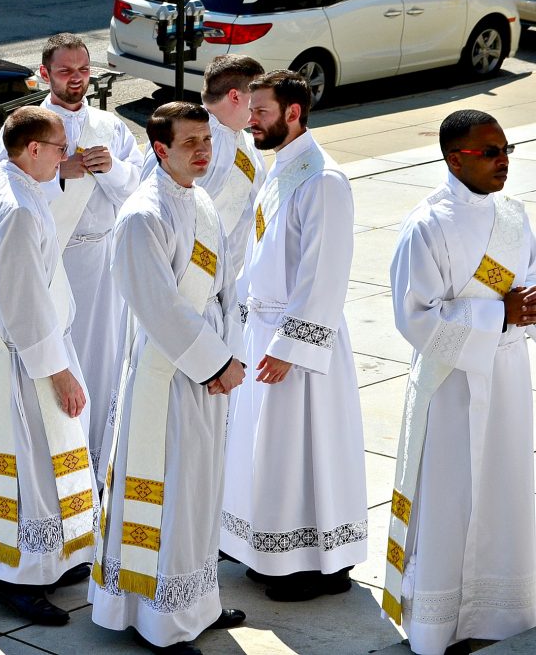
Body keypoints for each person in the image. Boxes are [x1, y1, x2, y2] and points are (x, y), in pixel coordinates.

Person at [90, 102, 247, 655]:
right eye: (191, 143)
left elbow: (223, 287)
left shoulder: (200, 200)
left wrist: (230, 352)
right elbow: (158, 307)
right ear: (160, 149)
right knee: (168, 489)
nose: (204, 150)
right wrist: (217, 363)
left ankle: (196, 601)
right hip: (166, 376)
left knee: (200, 489)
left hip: (206, 368)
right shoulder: (141, 214)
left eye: (207, 139)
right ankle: (158, 615)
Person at [384, 110, 536, 654]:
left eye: (507, 151)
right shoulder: (427, 226)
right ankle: (436, 622)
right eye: (490, 152)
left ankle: (502, 611)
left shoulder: (514, 217)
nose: (503, 162)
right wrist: (500, 316)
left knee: (504, 484)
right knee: (450, 496)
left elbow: (528, 281)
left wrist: (526, 309)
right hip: (449, 384)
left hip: (508, 376)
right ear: (455, 158)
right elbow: (414, 316)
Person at [220, 70, 368, 601]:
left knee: (307, 450)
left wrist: (290, 346)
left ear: (293, 114)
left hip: (302, 344)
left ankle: (315, 564)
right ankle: (274, 552)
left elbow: (324, 272)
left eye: (260, 111)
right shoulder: (279, 168)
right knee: (271, 451)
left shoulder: (322, 180)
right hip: (263, 330)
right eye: (250, 110)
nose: (250, 120)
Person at [0, 106, 97, 625]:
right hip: (24, 361)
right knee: (29, 469)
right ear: (33, 149)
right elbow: (23, 299)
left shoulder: (8, 184)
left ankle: (49, 554)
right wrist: (56, 371)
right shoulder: (14, 206)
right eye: (59, 149)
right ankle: (16, 574)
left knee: (35, 468)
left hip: (21, 350)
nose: (66, 157)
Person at [0, 33, 142, 483]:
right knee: (58, 356)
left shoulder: (109, 126)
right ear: (45, 73)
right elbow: (1, 183)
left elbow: (138, 188)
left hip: (101, 261)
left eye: (82, 69)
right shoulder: (29, 124)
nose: (76, 79)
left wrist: (111, 168)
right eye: (65, 71)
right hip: (54, 261)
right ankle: (61, 458)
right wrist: (63, 174)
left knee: (102, 359)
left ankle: (96, 457)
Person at [140, 55, 265, 276]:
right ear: (235, 96)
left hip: (232, 276)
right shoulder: (180, 135)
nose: (260, 105)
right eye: (256, 96)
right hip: (188, 274)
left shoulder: (243, 139)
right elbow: (154, 204)